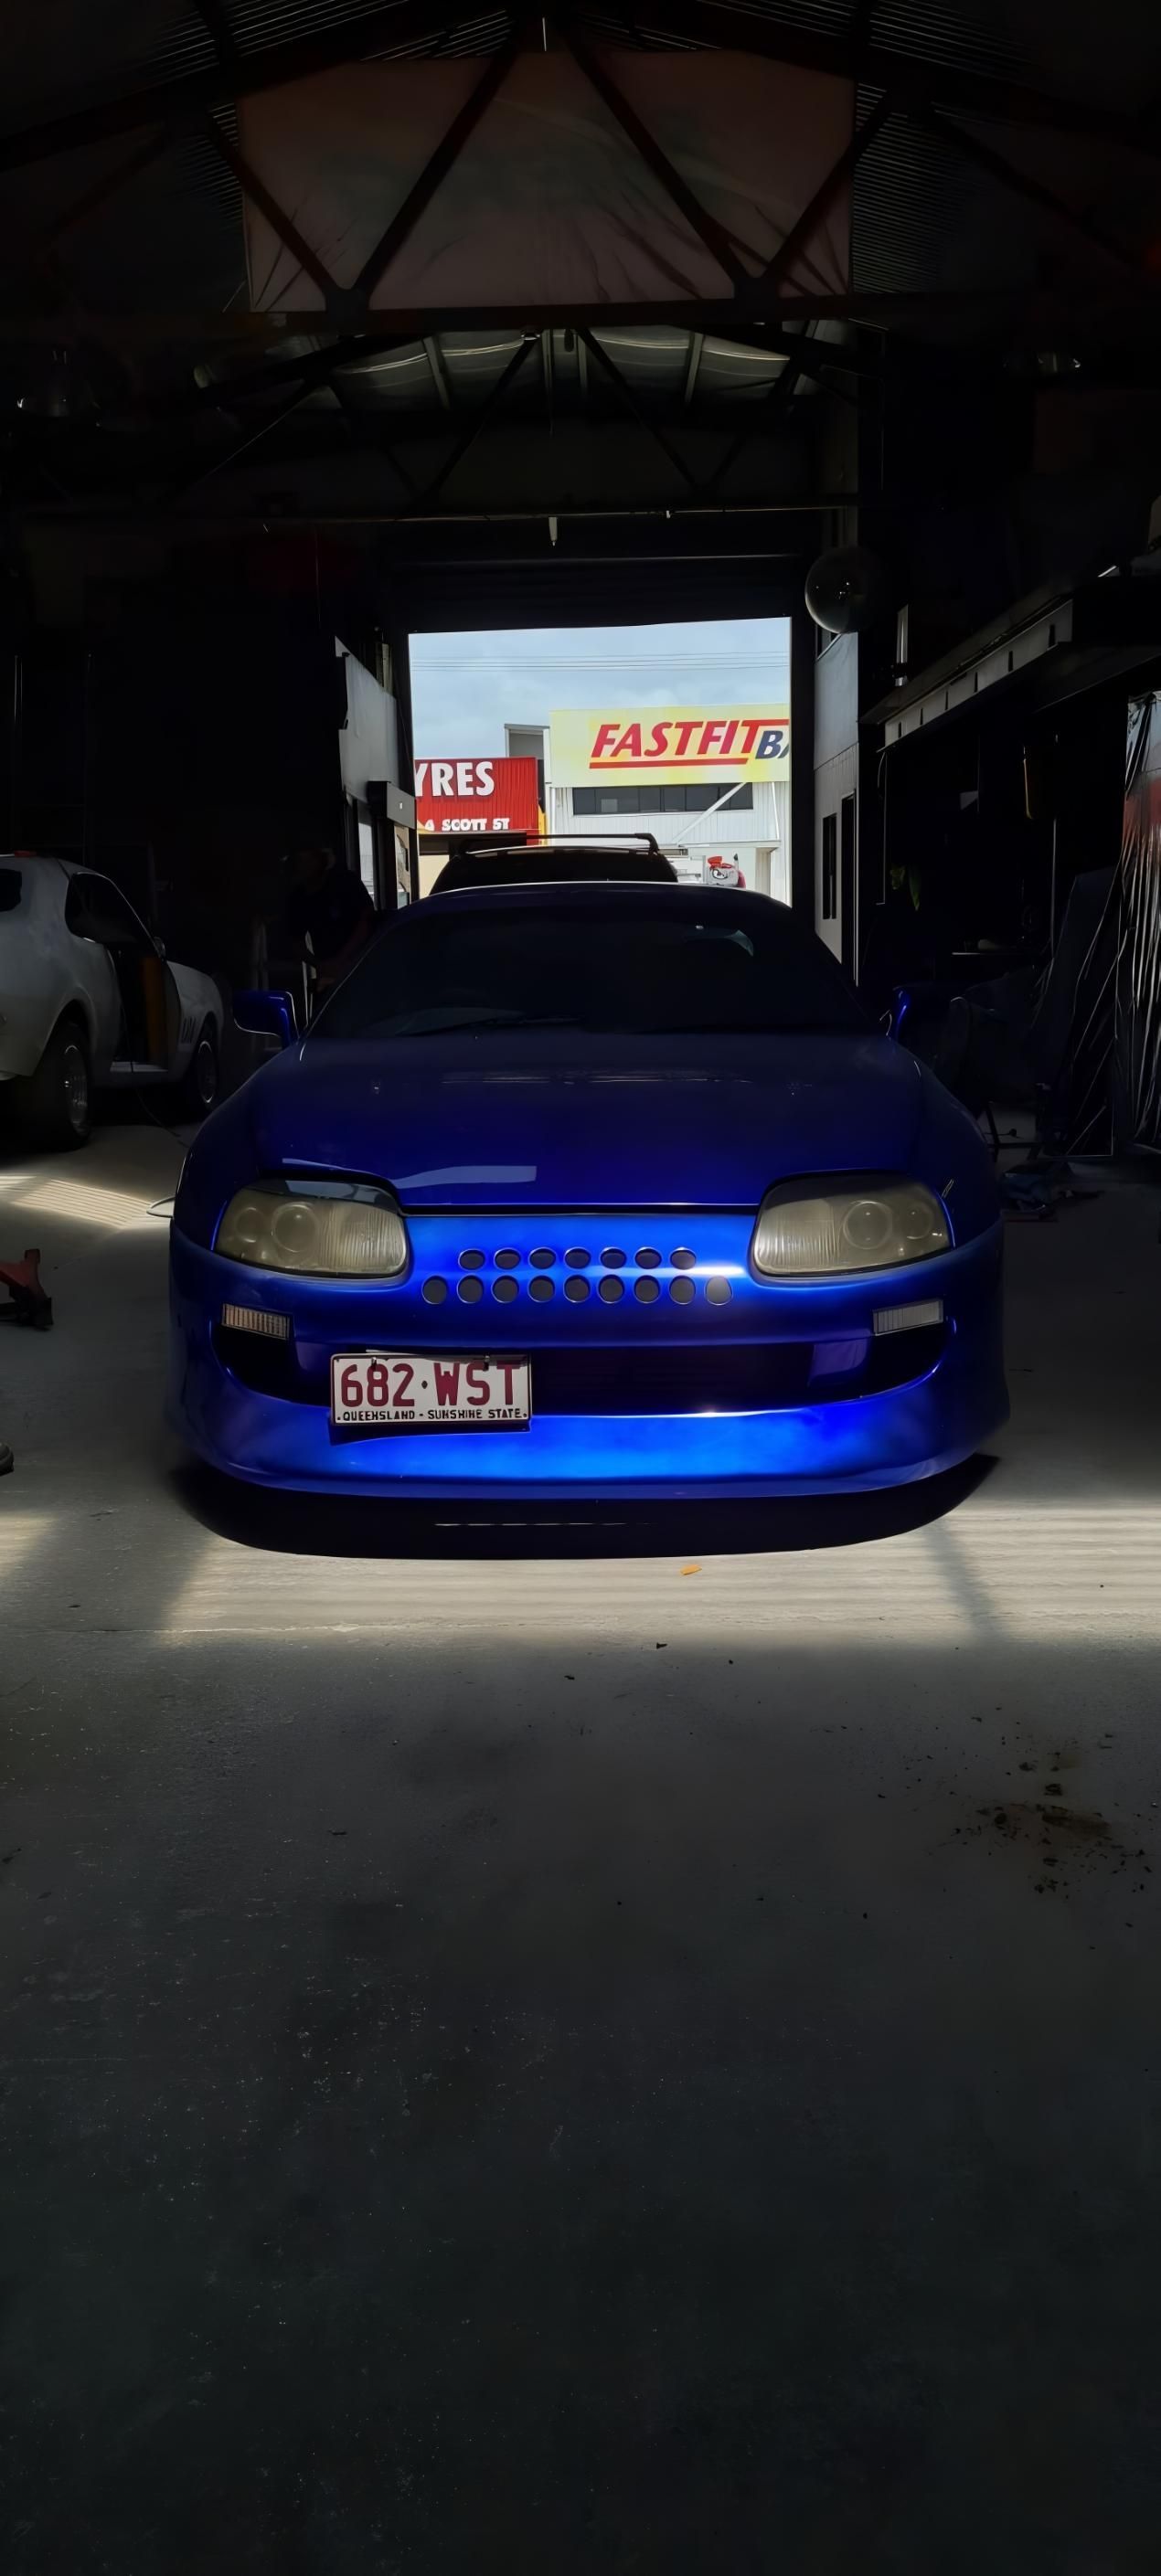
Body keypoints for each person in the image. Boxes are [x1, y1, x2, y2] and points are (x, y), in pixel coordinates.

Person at [284, 844, 377, 1008]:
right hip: (328, 976)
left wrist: (342, 960)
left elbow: (367, 919)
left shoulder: (345, 883)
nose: (305, 866)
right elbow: (294, 941)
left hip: (363, 967)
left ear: (321, 860)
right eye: (300, 862)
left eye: (309, 860)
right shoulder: (299, 898)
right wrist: (322, 965)